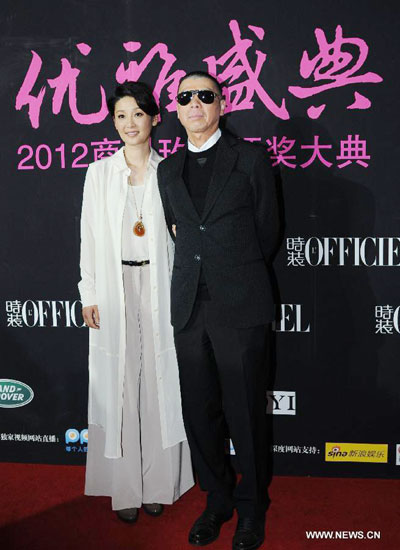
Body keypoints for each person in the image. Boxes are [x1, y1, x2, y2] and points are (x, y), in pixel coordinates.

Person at [158, 71, 279, 550]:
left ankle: (251, 509)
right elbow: (177, 231)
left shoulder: (249, 159)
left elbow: (268, 231)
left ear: (221, 105)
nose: (194, 104)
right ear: (176, 107)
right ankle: (217, 501)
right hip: (190, 307)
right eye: (185, 97)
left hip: (241, 304)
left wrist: (235, 273)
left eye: (204, 96)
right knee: (199, 411)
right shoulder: (169, 170)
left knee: (246, 412)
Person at [78, 81, 194, 524]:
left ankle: (158, 484)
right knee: (120, 384)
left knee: (162, 383)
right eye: (122, 115)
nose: (130, 123)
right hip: (114, 285)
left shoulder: (172, 172)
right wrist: (88, 292)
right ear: (114, 121)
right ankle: (123, 487)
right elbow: (88, 235)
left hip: (161, 287)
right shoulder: (98, 173)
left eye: (138, 114)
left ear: (155, 119)